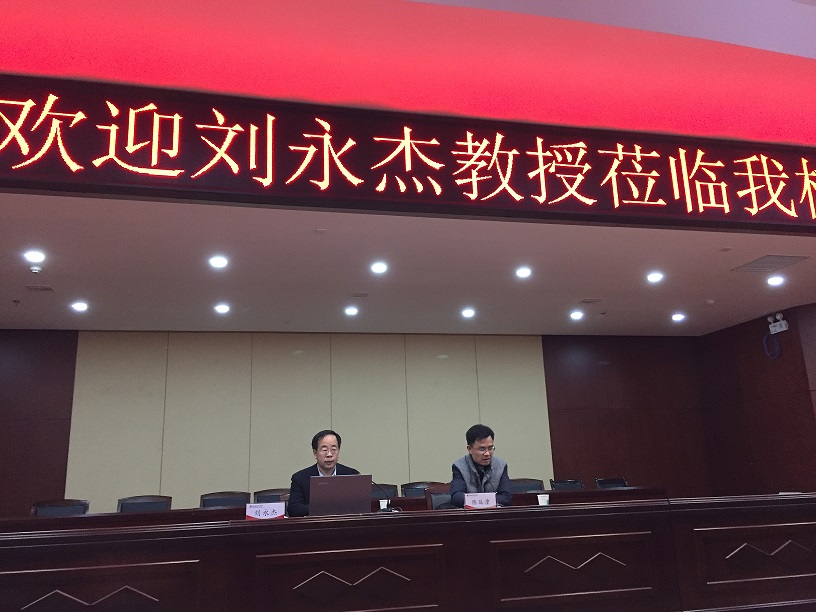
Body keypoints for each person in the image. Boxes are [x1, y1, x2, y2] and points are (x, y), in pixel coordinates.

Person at [288, 429, 359, 517]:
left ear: (338, 451)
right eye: (324, 450)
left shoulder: (351, 475)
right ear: (315, 453)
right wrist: (322, 508)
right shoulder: (300, 478)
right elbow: (293, 509)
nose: (329, 454)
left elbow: (360, 505)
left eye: (333, 449)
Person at [450, 423, 512, 507]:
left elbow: (506, 497)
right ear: (469, 449)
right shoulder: (459, 467)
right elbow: (457, 497)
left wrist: (478, 501)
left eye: (490, 448)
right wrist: (484, 502)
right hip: (470, 513)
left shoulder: (501, 466)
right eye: (482, 449)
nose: (487, 453)